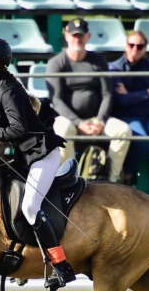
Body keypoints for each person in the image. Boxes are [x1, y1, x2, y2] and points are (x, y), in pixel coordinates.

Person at [0, 35, 75, 291]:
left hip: (42, 155)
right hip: (25, 156)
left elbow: (17, 129)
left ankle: (62, 266)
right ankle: (19, 258)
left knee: (30, 207)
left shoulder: (9, 88)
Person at [45, 18, 131, 183]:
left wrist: (100, 120)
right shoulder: (56, 63)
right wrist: (78, 122)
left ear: (88, 36)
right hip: (69, 120)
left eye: (81, 36)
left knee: (123, 131)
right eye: (74, 35)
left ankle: (110, 182)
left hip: (97, 119)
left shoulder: (98, 60)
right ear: (67, 36)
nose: (77, 39)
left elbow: (107, 94)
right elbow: (57, 99)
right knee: (61, 129)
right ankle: (69, 180)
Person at [109, 30, 149, 195]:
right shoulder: (115, 69)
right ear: (126, 46)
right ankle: (126, 177)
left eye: (140, 46)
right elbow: (121, 101)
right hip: (127, 115)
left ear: (145, 48)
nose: (135, 50)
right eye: (131, 45)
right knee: (142, 143)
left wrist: (131, 95)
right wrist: (147, 92)